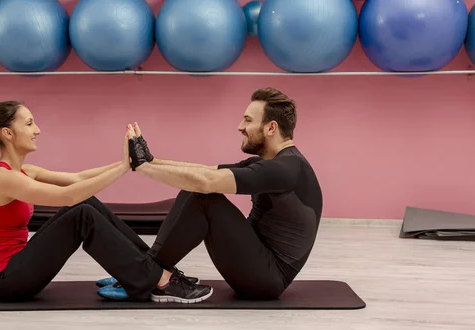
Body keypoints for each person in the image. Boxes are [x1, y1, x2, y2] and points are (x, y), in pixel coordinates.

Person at [0, 101, 213, 304]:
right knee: (81, 212)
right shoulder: (1, 178)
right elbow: (69, 196)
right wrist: (126, 166)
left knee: (88, 203)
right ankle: (159, 280)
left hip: (18, 267)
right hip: (4, 282)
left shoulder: (23, 171)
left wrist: (137, 161)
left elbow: (79, 178)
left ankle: (151, 268)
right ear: (8, 133)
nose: (37, 130)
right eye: (29, 124)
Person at [98, 87, 323, 300]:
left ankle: (144, 274)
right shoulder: (276, 163)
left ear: (271, 128)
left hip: (267, 279)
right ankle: (145, 271)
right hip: (259, 263)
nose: (240, 126)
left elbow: (206, 182)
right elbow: (206, 171)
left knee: (203, 196)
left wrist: (142, 168)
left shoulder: (285, 170)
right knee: (195, 188)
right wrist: (150, 160)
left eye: (248, 120)